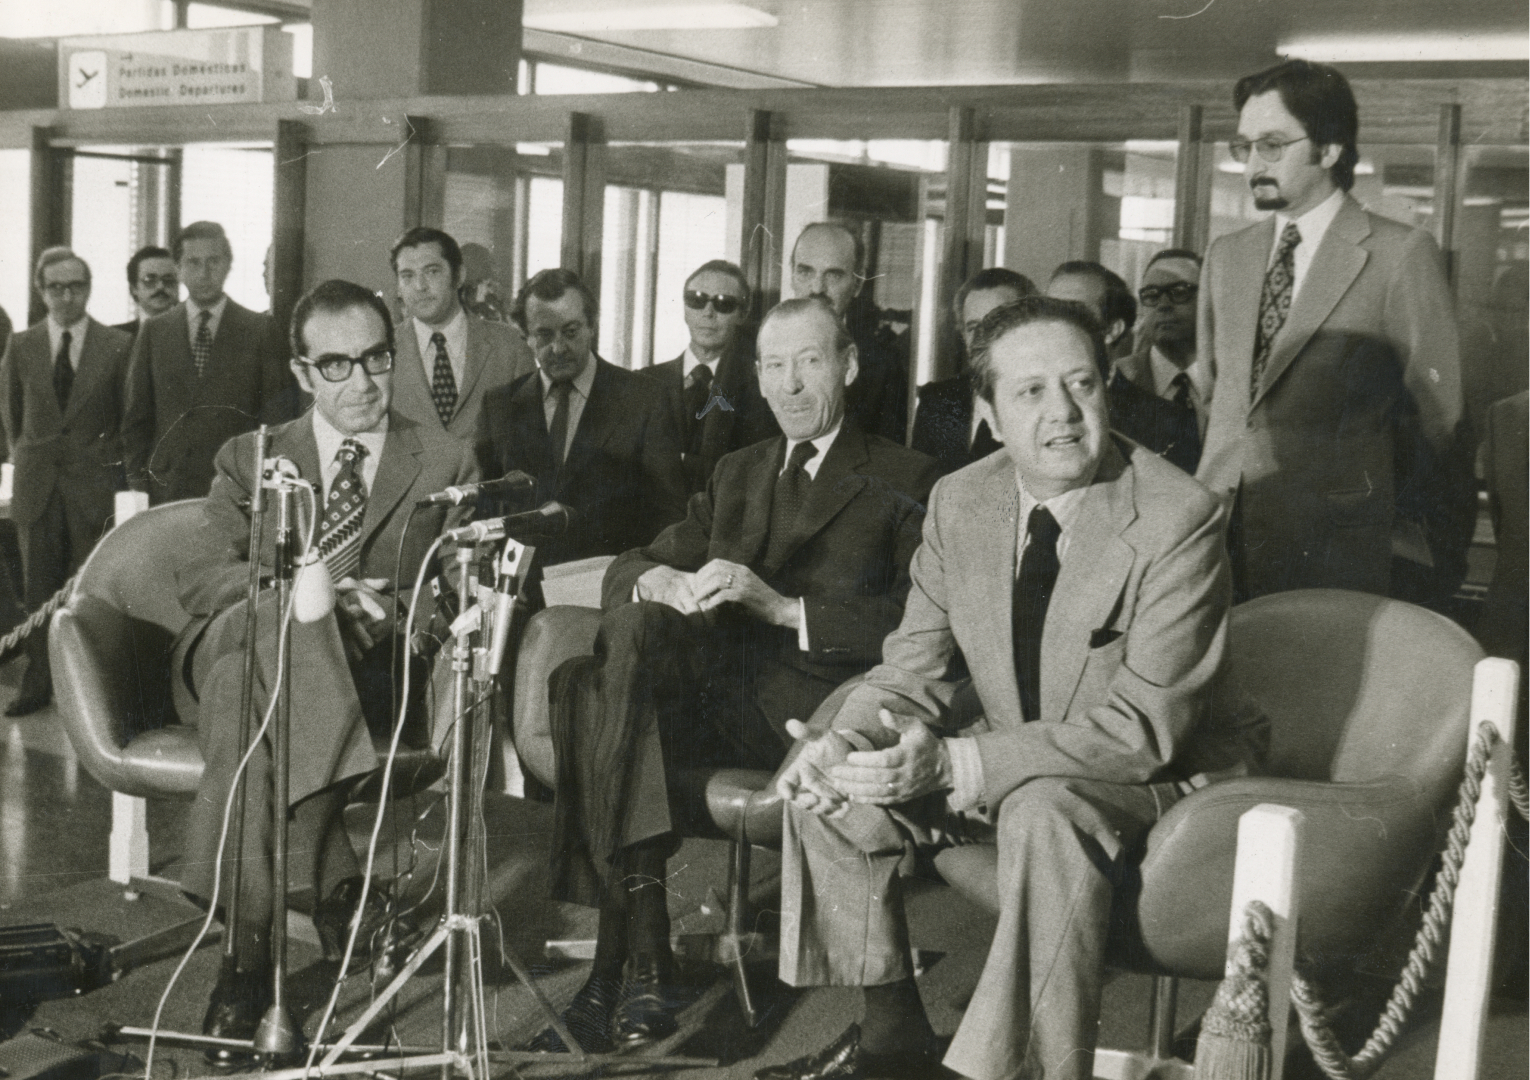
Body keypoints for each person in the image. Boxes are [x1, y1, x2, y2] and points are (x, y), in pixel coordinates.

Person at [763, 296, 1242, 1080]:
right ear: (985, 411)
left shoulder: (1177, 517)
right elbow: (911, 668)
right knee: (832, 778)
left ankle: (1004, 1071)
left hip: (1164, 782)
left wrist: (955, 765)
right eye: (1030, 393)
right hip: (1023, 765)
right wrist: (843, 742)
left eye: (1082, 385)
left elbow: (1141, 732)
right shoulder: (962, 499)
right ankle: (893, 1040)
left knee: (1043, 806)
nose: (1063, 413)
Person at [535, 297, 940, 1053]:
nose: (790, 386)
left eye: (810, 362)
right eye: (775, 366)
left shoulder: (904, 474)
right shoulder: (738, 470)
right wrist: (660, 584)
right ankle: (644, 949)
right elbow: (634, 562)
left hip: (810, 711)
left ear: (848, 367)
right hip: (713, 699)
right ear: (755, 377)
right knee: (623, 637)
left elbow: (920, 619)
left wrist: (786, 608)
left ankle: (625, 955)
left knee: (587, 692)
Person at [173, 279, 477, 1062]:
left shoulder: (442, 458)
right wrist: (315, 596)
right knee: (275, 633)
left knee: (247, 691)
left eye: (377, 357)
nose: (365, 382)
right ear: (305, 374)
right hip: (243, 641)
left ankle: (245, 955)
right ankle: (339, 884)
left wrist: (397, 610)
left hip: (355, 682)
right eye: (337, 365)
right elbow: (202, 577)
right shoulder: (253, 456)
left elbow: (452, 595)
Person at [1196, 59, 1466, 601]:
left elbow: (1441, 418)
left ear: (1330, 149)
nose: (1253, 164)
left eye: (1272, 145)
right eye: (1244, 146)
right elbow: (1214, 396)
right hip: (1220, 536)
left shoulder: (1398, 254)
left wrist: (1416, 549)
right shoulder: (1227, 256)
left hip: (1339, 549)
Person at [474, 268, 687, 573]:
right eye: (544, 335)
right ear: (525, 336)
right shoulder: (499, 406)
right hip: (518, 596)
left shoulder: (645, 400)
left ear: (592, 327)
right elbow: (486, 511)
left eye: (571, 332)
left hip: (609, 591)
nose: (558, 348)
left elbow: (670, 516)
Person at [0, 248, 134, 716]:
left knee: (89, 592)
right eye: (56, 287)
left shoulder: (117, 346)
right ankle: (38, 683)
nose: (66, 296)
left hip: (92, 490)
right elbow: (11, 419)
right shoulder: (20, 345)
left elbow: (124, 419)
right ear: (41, 291)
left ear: (89, 288)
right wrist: (31, 458)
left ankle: (93, 692)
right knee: (38, 593)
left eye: (76, 286)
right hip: (38, 490)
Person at [123, 221, 298, 504]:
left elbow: (277, 418)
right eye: (193, 262)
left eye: (213, 261)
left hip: (235, 488)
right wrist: (139, 487)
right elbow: (136, 421)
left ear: (228, 264)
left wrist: (262, 486)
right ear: (178, 269)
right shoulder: (154, 332)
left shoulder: (259, 330)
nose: (204, 273)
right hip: (166, 489)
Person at [641, 259, 779, 494]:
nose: (708, 312)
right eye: (697, 300)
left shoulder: (762, 390)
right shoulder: (645, 383)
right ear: (685, 308)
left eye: (724, 304)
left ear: (742, 314)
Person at [1047, 261, 1198, 474]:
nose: (1053, 322)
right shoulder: (1018, 407)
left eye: (1073, 311)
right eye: (1047, 309)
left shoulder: (1171, 425)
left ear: (1112, 330)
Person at [388, 227, 534, 443]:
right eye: (407, 276)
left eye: (432, 271)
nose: (420, 286)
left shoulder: (510, 346)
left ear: (458, 276)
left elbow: (531, 439)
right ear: (399, 286)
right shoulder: (383, 350)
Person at [790, 223, 910, 445]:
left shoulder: (882, 366)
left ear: (858, 283)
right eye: (805, 271)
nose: (817, 288)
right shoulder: (752, 352)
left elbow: (888, 463)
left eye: (833, 275)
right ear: (791, 274)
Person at [910, 267, 1033, 474]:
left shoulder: (1047, 400)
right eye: (974, 328)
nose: (983, 339)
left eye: (998, 323)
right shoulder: (937, 401)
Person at [1112, 249, 1207, 474]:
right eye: (1152, 295)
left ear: (1208, 299)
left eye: (1180, 291)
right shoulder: (1117, 379)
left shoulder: (1233, 380)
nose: (1163, 304)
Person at [114, 245, 179, 336]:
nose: (160, 287)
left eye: (168, 280)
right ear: (134, 288)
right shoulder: (115, 337)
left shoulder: (192, 335)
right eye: (150, 280)